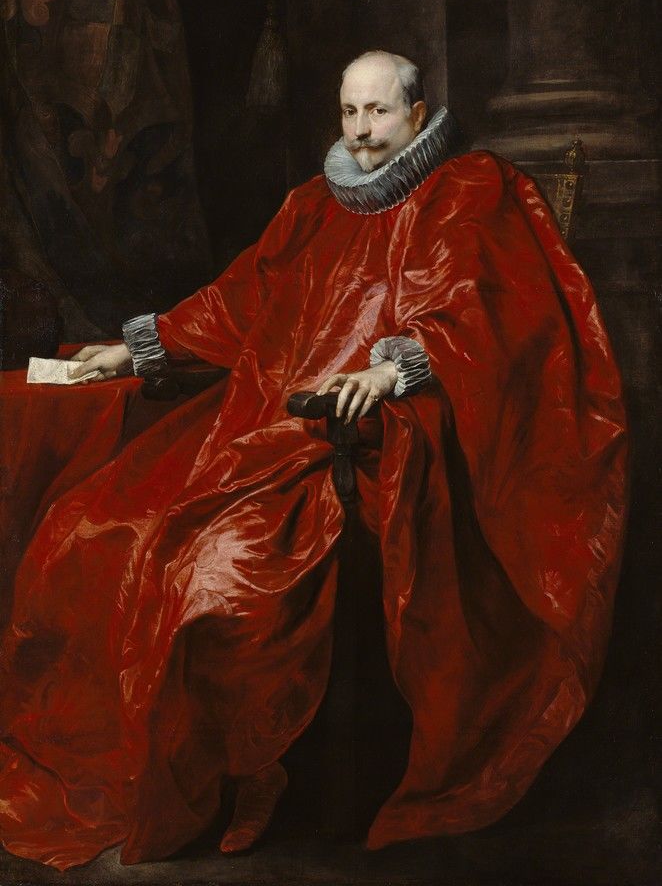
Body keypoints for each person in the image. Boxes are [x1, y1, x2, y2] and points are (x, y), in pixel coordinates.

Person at [0, 51, 627, 871]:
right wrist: (134, 349)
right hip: (260, 425)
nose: (362, 132)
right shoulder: (312, 204)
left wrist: (392, 370)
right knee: (90, 525)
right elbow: (239, 302)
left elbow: (487, 311)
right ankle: (181, 769)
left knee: (217, 570)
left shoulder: (470, 190)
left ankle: (247, 775)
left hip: (371, 438)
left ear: (417, 112)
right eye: (350, 112)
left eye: (379, 112)